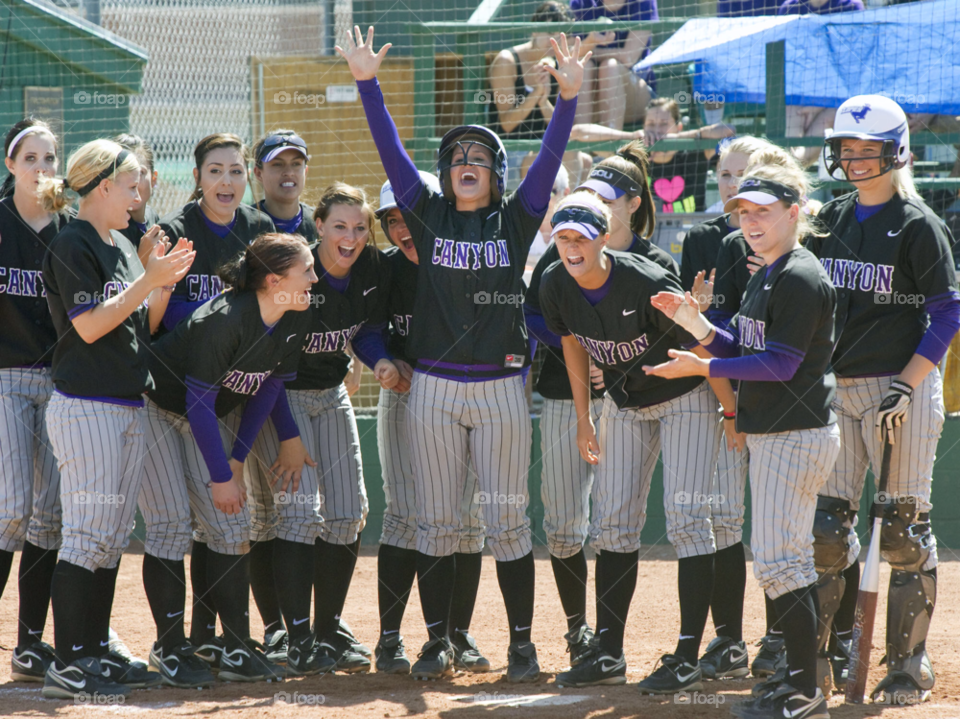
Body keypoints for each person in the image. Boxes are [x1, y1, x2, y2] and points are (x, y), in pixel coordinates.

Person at [339, 24, 587, 682]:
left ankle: (523, 645)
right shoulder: (426, 214)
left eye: (479, 153)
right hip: (435, 389)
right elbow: (390, 152)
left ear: (497, 172)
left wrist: (565, 100)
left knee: (506, 521)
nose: (465, 160)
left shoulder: (515, 218)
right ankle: (437, 640)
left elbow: (547, 158)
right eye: (455, 156)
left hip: (503, 388)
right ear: (445, 176)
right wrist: (367, 84)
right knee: (434, 524)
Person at [643, 162, 840, 719]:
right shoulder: (769, 271)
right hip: (778, 432)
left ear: (793, 214)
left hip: (794, 433)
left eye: (763, 212)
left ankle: (802, 693)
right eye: (744, 212)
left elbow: (779, 364)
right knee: (782, 562)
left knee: (783, 565)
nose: (751, 221)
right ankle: (796, 685)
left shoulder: (800, 275)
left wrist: (701, 371)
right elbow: (741, 344)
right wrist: (697, 330)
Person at [537, 191, 733, 690]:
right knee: (613, 525)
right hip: (624, 402)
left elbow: (698, 339)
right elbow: (571, 344)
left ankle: (687, 656)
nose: (571, 246)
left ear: (603, 237)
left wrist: (730, 408)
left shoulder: (644, 280)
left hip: (684, 396)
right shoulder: (555, 281)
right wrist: (584, 417)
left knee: (688, 519)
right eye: (563, 237)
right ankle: (608, 654)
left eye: (581, 237)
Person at [809, 94, 959, 705]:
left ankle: (908, 664)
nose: (857, 160)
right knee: (824, 530)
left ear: (896, 153)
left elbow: (947, 313)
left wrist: (908, 381)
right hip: (836, 390)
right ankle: (825, 656)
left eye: (869, 150)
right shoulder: (829, 219)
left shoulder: (920, 224)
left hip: (904, 387)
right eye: (848, 149)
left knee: (899, 529)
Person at [38, 139, 194, 699]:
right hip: (88, 406)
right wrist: (147, 280)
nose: (139, 194)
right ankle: (70, 659)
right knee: (87, 536)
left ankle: (96, 650)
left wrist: (158, 278)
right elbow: (88, 326)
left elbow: (142, 325)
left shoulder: (123, 244)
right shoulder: (71, 241)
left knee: (109, 538)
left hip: (126, 402)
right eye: (130, 185)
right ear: (102, 186)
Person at [524, 142, 681, 674]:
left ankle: (627, 642)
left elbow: (680, 336)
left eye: (608, 197)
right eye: (589, 192)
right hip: (573, 395)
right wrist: (587, 352)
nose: (594, 204)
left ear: (632, 203)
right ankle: (579, 631)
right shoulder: (563, 250)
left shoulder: (651, 265)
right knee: (565, 520)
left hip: (641, 400)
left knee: (634, 521)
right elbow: (541, 315)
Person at [140, 232, 314, 686]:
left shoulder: (295, 317)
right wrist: (221, 477)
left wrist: (236, 461)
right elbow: (197, 403)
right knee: (171, 524)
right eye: (307, 271)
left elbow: (268, 388)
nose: (316, 278)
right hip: (154, 409)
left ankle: (236, 645)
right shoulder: (226, 317)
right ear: (275, 281)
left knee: (232, 526)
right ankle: (171, 646)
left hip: (205, 416)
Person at [246, 183, 399, 676]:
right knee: (296, 513)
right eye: (339, 226)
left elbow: (369, 331)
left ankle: (328, 627)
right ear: (318, 226)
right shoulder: (298, 275)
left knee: (349, 512)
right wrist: (288, 438)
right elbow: (269, 368)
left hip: (331, 394)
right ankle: (295, 636)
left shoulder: (371, 269)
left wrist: (377, 363)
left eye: (359, 227)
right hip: (279, 399)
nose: (350, 236)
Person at [155, 133, 275, 666]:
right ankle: (173, 642)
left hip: (224, 395)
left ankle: (226, 639)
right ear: (198, 177)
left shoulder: (259, 230)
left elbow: (270, 318)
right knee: (173, 524)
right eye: (215, 171)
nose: (226, 181)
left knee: (224, 521)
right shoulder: (178, 232)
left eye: (235, 171)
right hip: (168, 392)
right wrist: (223, 323)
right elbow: (160, 319)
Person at [374, 171, 491, 675]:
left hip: (464, 400)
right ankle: (389, 638)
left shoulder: (468, 263)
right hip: (403, 398)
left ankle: (452, 634)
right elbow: (366, 328)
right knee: (403, 514)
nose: (403, 228)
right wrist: (382, 357)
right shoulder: (382, 270)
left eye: (412, 216)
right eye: (392, 219)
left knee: (465, 522)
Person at [679, 135, 780, 682]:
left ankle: (786, 638)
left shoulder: (794, 251)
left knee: (779, 528)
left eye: (744, 175)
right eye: (724, 176)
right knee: (724, 518)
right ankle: (730, 640)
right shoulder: (709, 240)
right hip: (726, 391)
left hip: (779, 397)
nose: (732, 185)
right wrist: (730, 408)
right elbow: (712, 329)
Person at [245, 128, 319, 662]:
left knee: (313, 513)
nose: (287, 172)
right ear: (259, 173)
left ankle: (315, 629)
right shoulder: (248, 229)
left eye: (296, 162)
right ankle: (278, 629)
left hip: (314, 382)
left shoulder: (323, 224)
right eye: (277, 164)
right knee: (265, 514)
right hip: (259, 390)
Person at [0, 119, 70, 682]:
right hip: (4, 380)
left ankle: (29, 646)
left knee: (50, 518)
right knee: (9, 510)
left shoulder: (70, 232)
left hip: (59, 385)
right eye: (31, 158)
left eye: (51, 158)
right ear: (11, 165)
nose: (43, 168)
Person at [570, 0, 656, 132]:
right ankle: (580, 146)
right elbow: (571, 55)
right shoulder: (580, 3)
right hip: (589, 95)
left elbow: (629, 58)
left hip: (637, 96)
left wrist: (588, 50)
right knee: (584, 67)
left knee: (609, 67)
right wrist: (591, 41)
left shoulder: (644, 2)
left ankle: (609, 146)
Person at [643, 98, 734, 212]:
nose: (657, 130)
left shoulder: (693, 154)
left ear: (678, 127)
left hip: (693, 227)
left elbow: (728, 130)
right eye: (651, 124)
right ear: (643, 128)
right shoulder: (636, 156)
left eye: (664, 123)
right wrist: (634, 136)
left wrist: (677, 138)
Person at [113, 134, 161, 262]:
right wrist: (141, 259)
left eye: (140, 173)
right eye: (122, 174)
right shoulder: (106, 227)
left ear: (153, 179)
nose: (132, 182)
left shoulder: (153, 218)